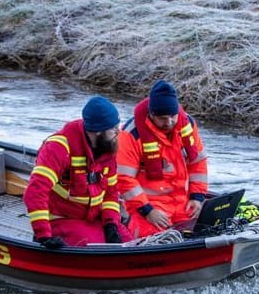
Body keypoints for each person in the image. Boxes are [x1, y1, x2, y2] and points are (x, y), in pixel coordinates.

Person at [23, 96, 133, 249]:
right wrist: (43, 235)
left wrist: (111, 225)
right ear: (98, 131)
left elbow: (110, 193)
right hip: (61, 219)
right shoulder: (59, 148)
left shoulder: (107, 149)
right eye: (114, 128)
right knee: (94, 248)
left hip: (92, 218)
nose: (118, 132)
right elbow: (35, 192)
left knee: (128, 241)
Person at [116, 80, 209, 237]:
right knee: (151, 238)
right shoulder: (131, 135)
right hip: (147, 205)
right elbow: (124, 179)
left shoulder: (187, 125)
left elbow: (198, 162)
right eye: (163, 118)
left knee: (207, 228)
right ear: (151, 114)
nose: (169, 122)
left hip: (183, 202)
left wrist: (197, 197)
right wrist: (148, 211)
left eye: (173, 116)